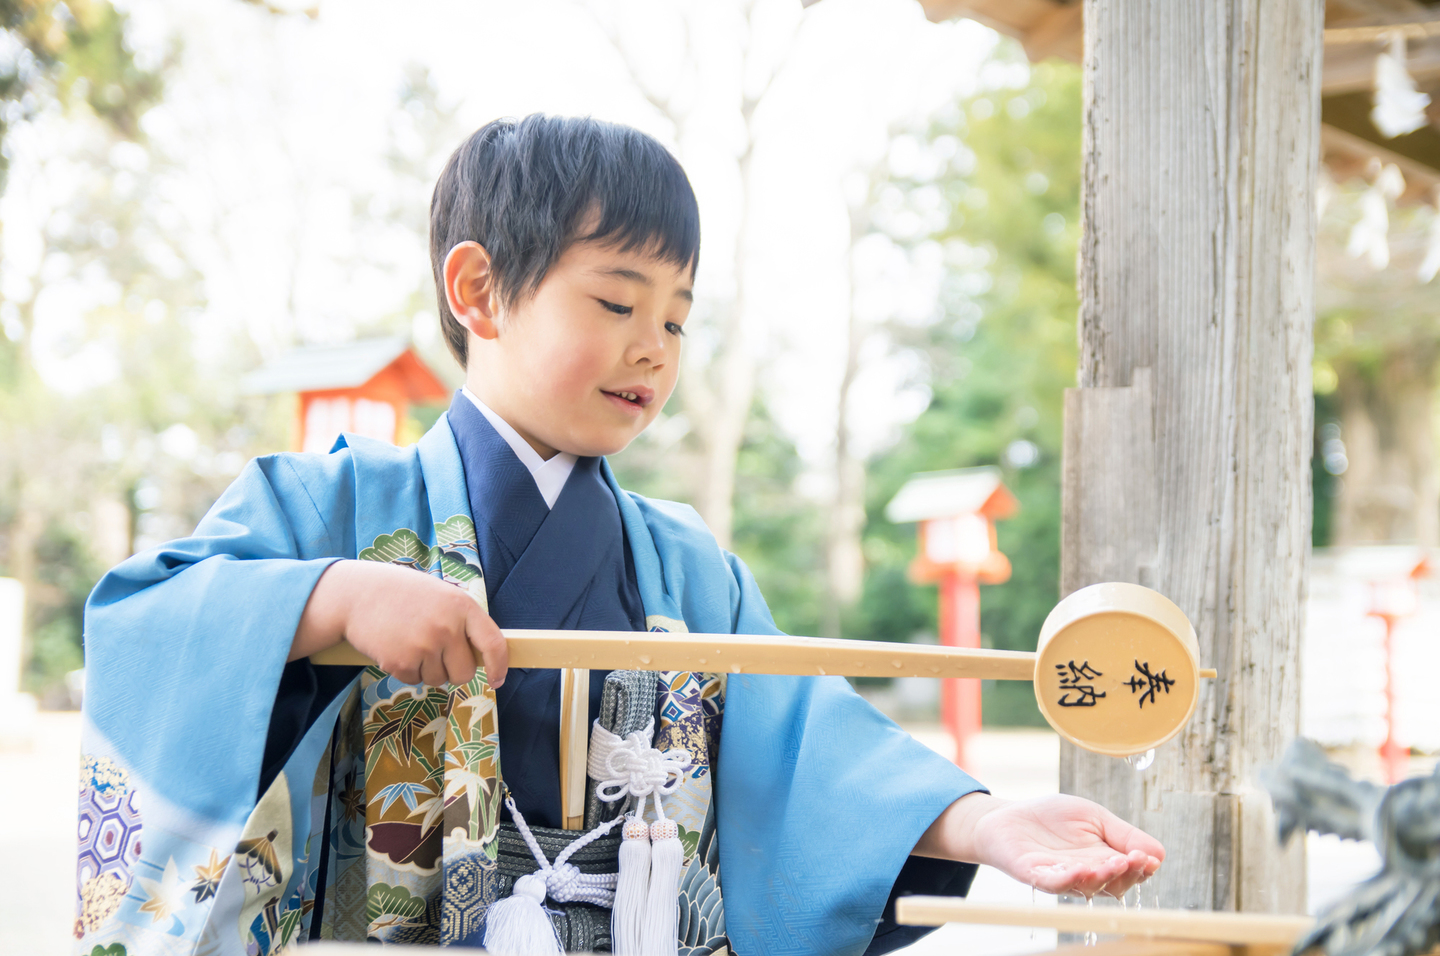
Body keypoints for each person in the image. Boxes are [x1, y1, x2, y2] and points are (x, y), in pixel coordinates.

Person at [76, 114, 1163, 956]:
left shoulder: (686, 562)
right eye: (616, 301)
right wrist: (333, 600)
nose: (654, 347)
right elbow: (149, 617)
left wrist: (981, 820)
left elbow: (810, 742)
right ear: (479, 289)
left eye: (679, 318)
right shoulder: (332, 509)